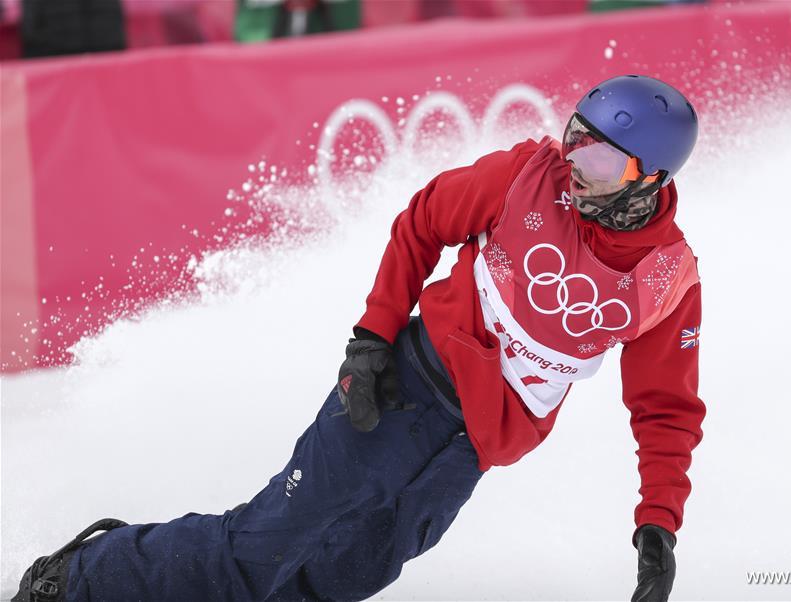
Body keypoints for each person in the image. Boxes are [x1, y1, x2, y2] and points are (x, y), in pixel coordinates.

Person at [14, 74, 705, 602]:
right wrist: (371, 340)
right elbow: (421, 224)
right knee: (259, 548)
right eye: (574, 138)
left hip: (470, 450)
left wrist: (657, 523)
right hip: (406, 388)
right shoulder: (526, 176)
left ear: (648, 180)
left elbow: (664, 409)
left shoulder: (664, 278)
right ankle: (78, 578)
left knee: (349, 573)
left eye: (602, 162)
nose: (577, 166)